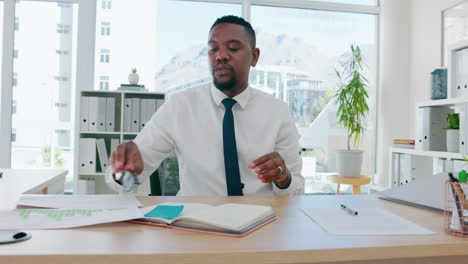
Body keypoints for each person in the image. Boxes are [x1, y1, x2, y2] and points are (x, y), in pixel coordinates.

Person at [106, 15, 304, 196]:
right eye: (213, 49)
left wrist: (284, 178)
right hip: (195, 224)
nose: (221, 56)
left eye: (233, 48)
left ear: (254, 56)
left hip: (261, 225)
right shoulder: (179, 106)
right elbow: (123, 182)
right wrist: (124, 173)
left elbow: (296, 191)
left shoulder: (278, 112)